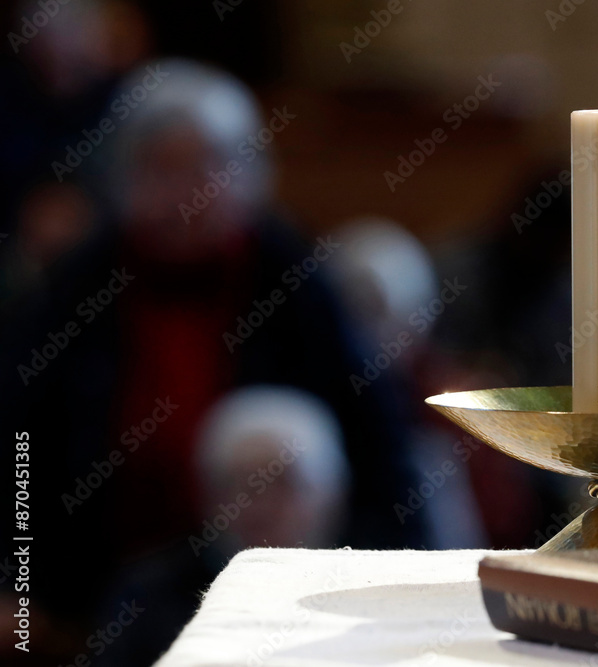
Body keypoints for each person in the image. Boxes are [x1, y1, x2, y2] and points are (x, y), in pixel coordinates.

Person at [0, 59, 426, 665]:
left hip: (279, 598)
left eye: (207, 167)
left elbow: (383, 452)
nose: (185, 194)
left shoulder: (296, 284)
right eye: (161, 169)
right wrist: (18, 586)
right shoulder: (77, 287)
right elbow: (20, 448)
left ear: (250, 173)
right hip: (99, 601)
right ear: (123, 178)